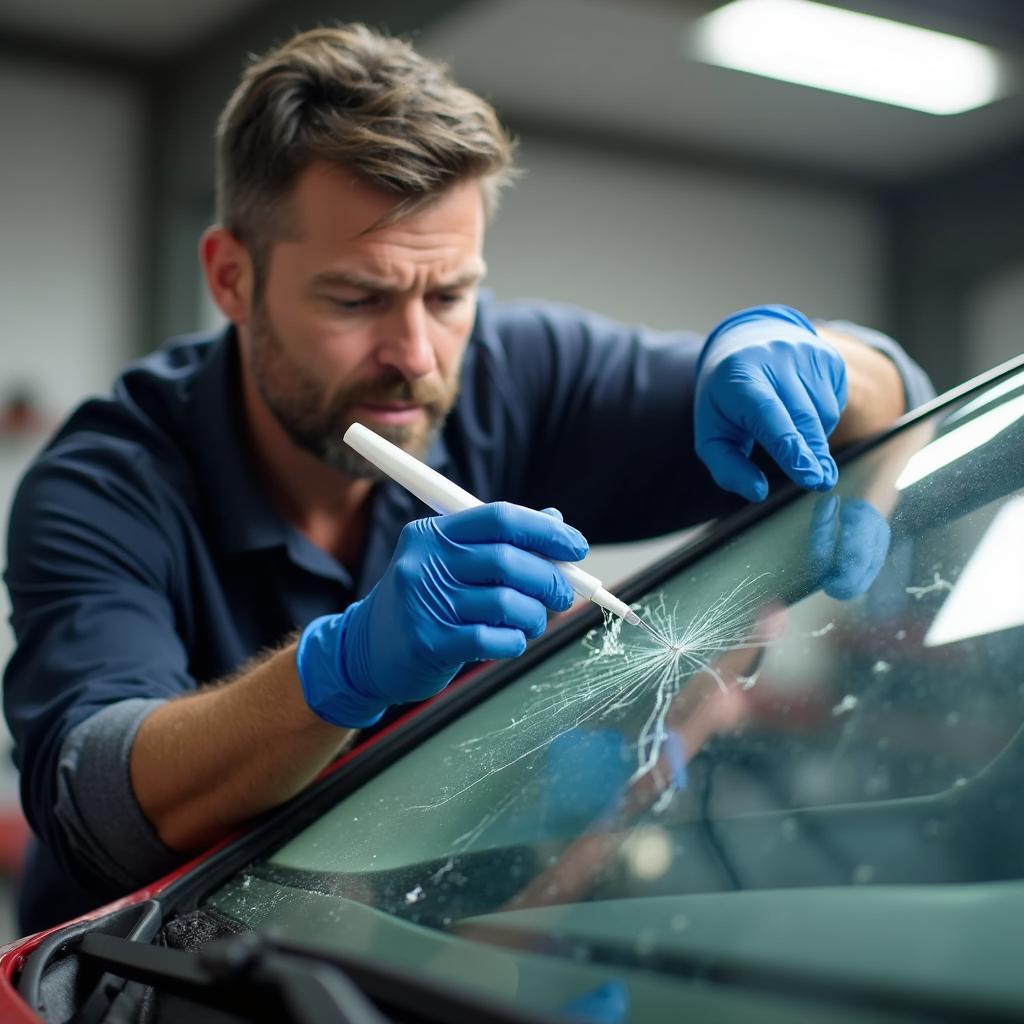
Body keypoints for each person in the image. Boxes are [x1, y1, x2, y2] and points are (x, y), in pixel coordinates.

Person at [2, 24, 932, 934]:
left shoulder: (520, 372)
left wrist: (816, 358)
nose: (414, 354)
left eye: (448, 295)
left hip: (411, 957)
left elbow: (883, 397)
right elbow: (99, 799)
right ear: (232, 277)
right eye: (355, 298)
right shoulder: (104, 484)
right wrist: (341, 668)